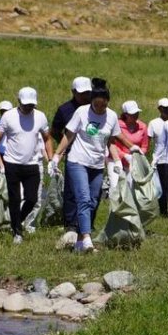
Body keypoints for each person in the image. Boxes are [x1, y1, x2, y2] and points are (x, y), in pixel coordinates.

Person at [51, 78, 139, 254]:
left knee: (93, 200)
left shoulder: (112, 116)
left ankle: (78, 241)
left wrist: (116, 161)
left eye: (103, 105)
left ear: (107, 102)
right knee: (83, 199)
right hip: (78, 161)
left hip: (97, 164)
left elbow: (111, 140)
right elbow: (68, 135)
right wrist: (56, 156)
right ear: (91, 101)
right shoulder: (82, 112)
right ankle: (87, 239)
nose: (99, 109)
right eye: (96, 105)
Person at [0, 87, 53, 245]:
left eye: (31, 105)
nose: (28, 108)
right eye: (25, 105)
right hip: (12, 163)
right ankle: (17, 231)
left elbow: (47, 138)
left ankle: (17, 221)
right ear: (19, 102)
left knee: (32, 199)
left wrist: (51, 160)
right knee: (15, 198)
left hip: (32, 164)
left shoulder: (40, 117)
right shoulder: (8, 116)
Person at [51, 77, 92, 235]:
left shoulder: (94, 108)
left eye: (88, 93)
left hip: (91, 153)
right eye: (82, 93)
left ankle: (86, 222)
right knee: (71, 189)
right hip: (73, 154)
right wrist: (63, 145)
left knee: (90, 190)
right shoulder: (65, 110)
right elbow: (55, 130)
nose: (85, 96)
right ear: (73, 92)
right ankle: (70, 222)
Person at [113, 101, 149, 168]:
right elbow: (113, 145)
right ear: (125, 114)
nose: (135, 115)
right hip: (117, 162)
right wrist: (124, 156)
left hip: (135, 163)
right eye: (132, 114)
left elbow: (144, 146)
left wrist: (139, 154)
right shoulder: (117, 125)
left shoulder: (143, 126)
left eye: (137, 113)